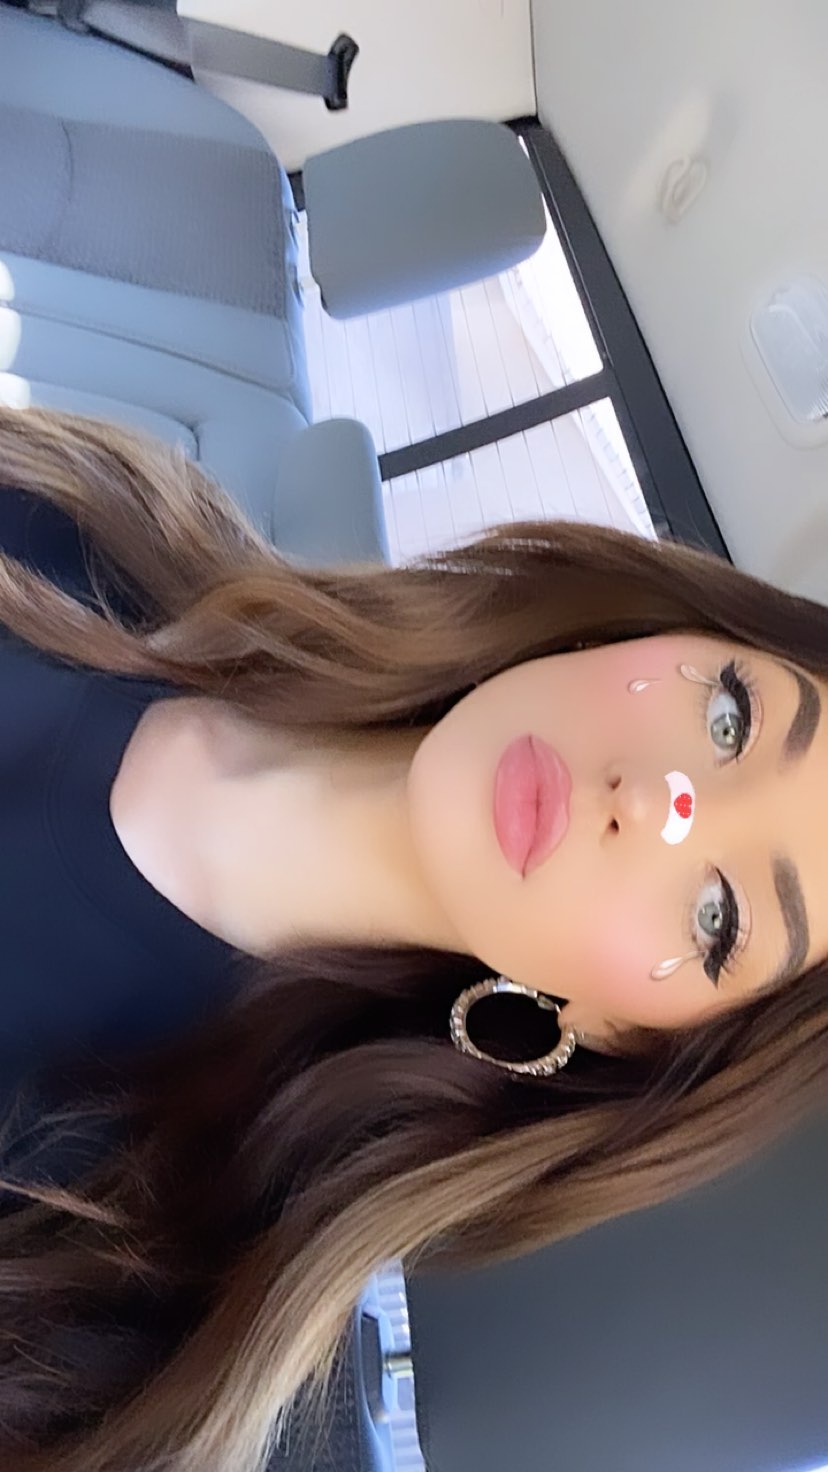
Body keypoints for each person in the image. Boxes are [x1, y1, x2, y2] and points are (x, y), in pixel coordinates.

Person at [0, 403, 824, 1472]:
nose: (656, 799)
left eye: (719, 917)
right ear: (660, 626)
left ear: (623, 1032)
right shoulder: (98, 517)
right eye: (731, 720)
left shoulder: (136, 1263)